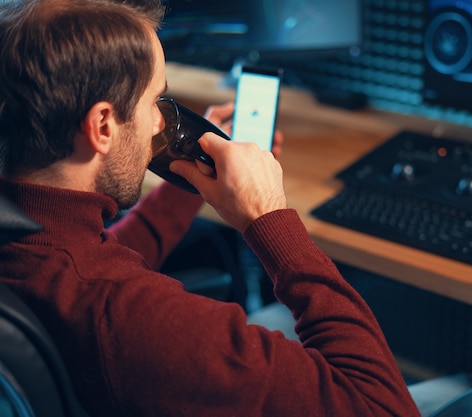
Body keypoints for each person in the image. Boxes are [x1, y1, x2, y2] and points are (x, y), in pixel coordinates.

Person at [0, 1, 421, 416]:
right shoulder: (136, 318)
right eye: (154, 102)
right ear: (103, 126)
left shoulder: (35, 243)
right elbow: (382, 406)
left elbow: (91, 263)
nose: (160, 124)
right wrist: (268, 217)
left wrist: (194, 181)